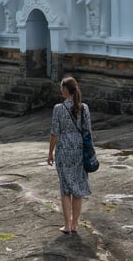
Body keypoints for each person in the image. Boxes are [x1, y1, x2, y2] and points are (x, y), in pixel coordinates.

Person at [47, 76, 92, 234]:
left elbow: (54, 132)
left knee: (65, 189)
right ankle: (75, 224)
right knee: (77, 189)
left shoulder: (58, 108)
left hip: (64, 149)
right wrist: (89, 151)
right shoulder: (84, 108)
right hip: (79, 150)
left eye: (61, 87)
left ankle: (67, 225)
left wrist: (50, 153)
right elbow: (88, 132)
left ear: (65, 90)